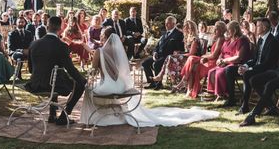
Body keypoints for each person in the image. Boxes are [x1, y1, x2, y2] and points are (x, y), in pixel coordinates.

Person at [79, 33, 218, 127]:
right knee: (99, 87)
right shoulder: (117, 53)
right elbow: (126, 69)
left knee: (88, 89)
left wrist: (90, 79)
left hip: (109, 86)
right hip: (120, 86)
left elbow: (92, 71)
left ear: (104, 39)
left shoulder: (99, 51)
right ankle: (111, 115)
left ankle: (92, 119)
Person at [26, 16, 86, 126]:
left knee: (55, 78)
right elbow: (71, 69)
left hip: (34, 83)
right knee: (79, 85)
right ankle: (64, 116)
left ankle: (52, 115)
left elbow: (30, 69)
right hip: (51, 85)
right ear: (60, 28)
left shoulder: (34, 44)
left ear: (47, 27)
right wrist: (83, 80)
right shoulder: (61, 46)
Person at [233, 18, 279, 113]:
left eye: (258, 26)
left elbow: (268, 63)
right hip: (258, 68)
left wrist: (249, 69)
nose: (255, 28)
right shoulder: (260, 40)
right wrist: (245, 66)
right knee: (232, 71)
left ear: (264, 27)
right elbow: (255, 59)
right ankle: (241, 103)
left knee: (249, 76)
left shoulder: (273, 41)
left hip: (269, 70)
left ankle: (247, 105)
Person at [178, 21, 227, 98]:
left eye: (216, 29)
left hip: (214, 63)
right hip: (209, 60)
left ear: (221, 30)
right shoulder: (216, 38)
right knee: (192, 64)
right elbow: (210, 53)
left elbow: (214, 55)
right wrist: (205, 56)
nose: (214, 31)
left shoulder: (221, 39)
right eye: (215, 29)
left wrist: (204, 57)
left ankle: (185, 81)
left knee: (191, 60)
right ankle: (189, 89)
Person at [206, 21, 251, 99]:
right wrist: (219, 59)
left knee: (219, 73)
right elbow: (222, 53)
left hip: (236, 64)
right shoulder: (228, 40)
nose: (227, 32)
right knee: (211, 72)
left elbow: (238, 57)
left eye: (228, 30)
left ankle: (224, 94)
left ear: (234, 30)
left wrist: (224, 61)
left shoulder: (242, 40)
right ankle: (216, 93)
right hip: (225, 63)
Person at [152, 20, 203, 88]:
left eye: (186, 27)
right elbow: (187, 52)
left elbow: (192, 53)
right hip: (187, 58)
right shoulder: (188, 38)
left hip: (193, 59)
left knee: (170, 57)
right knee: (169, 57)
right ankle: (163, 76)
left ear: (190, 29)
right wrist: (180, 52)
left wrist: (180, 55)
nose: (184, 29)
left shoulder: (194, 39)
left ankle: (164, 77)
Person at [142, 16, 184, 89]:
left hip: (168, 57)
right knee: (145, 63)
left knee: (156, 64)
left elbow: (180, 48)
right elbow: (157, 46)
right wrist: (155, 53)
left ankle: (159, 84)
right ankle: (152, 82)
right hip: (158, 55)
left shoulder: (178, 34)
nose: (166, 25)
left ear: (174, 24)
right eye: (165, 23)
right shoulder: (164, 34)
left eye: (168, 23)